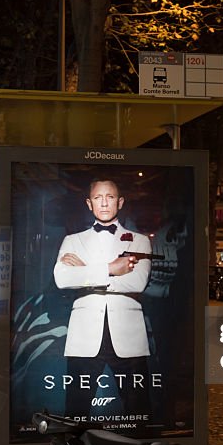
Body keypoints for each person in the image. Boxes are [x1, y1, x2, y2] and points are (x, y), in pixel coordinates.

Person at [54, 178, 152, 416]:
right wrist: (110, 268)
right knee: (76, 411)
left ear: (120, 202)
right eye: (98, 198)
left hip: (129, 337)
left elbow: (137, 282)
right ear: (89, 204)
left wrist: (85, 271)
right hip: (84, 337)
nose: (104, 203)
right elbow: (62, 279)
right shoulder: (72, 241)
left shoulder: (140, 241)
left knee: (137, 411)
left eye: (109, 197)